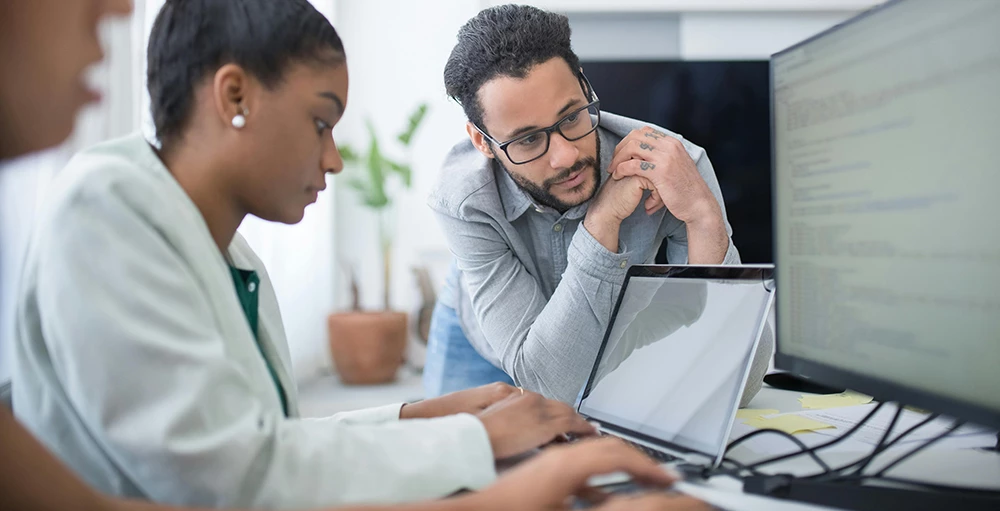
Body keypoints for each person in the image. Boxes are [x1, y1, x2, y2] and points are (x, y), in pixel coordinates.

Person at [2, 1, 704, 510]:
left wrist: (432, 416)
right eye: (320, 121)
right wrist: (486, 467)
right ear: (234, 95)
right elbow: (234, 480)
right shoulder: (110, 204)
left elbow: (265, 443)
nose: (334, 159)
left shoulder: (227, 252)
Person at [423, 4, 772, 404]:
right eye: (528, 140)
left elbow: (739, 386)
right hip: (486, 343)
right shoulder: (463, 202)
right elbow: (549, 386)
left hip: (614, 337)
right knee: (461, 457)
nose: (566, 157)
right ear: (483, 141)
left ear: (586, 87)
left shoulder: (674, 167)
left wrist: (704, 216)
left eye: (571, 116)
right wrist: (602, 220)